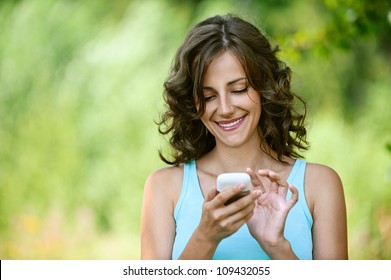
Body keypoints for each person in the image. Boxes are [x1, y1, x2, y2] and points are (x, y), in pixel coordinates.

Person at [140, 14, 348, 260]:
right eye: (208, 97)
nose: (225, 108)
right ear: (193, 104)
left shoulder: (320, 185)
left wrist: (277, 246)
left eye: (238, 89)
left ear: (264, 87)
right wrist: (205, 236)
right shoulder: (164, 188)